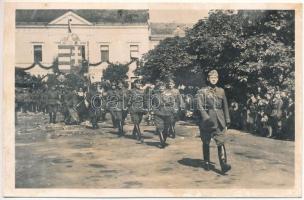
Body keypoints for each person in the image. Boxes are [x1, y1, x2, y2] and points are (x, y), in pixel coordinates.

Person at [195, 70, 231, 173]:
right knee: (206, 141)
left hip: (219, 120)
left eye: (216, 77)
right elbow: (200, 106)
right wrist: (205, 118)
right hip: (207, 120)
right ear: (208, 79)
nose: (214, 79)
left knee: (221, 141)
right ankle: (206, 162)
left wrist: (227, 119)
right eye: (212, 77)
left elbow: (225, 106)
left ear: (218, 79)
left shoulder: (221, 91)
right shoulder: (202, 91)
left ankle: (223, 164)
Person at [152, 81, 174, 148]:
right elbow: (153, 104)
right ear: (158, 88)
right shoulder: (155, 95)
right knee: (159, 128)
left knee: (166, 129)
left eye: (162, 87)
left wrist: (167, 104)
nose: (161, 88)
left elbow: (172, 102)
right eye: (159, 87)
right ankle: (162, 143)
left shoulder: (170, 94)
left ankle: (163, 141)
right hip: (158, 113)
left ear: (165, 87)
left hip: (168, 113)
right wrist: (153, 111)